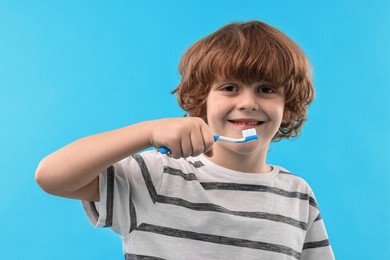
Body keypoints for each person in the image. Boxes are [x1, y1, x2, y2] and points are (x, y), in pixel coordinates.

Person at [35, 20, 335, 259]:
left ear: (289, 105)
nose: (247, 102)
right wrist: (148, 132)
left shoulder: (297, 194)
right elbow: (52, 176)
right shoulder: (157, 177)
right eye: (230, 88)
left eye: (266, 89)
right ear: (201, 100)